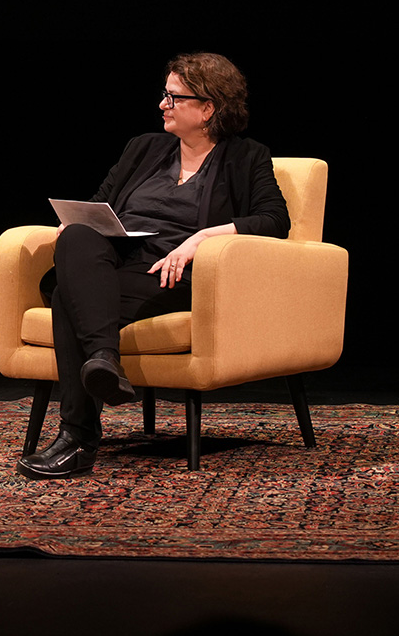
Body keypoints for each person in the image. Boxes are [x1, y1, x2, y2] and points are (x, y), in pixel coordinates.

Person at [17, 52, 289, 480]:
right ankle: (103, 361)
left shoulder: (246, 157)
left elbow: (275, 220)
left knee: (69, 300)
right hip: (118, 264)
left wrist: (200, 239)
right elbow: (98, 203)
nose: (162, 104)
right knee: (77, 235)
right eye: (164, 95)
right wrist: (74, 224)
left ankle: (78, 438)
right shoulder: (143, 148)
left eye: (173, 97)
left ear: (208, 108)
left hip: (174, 274)